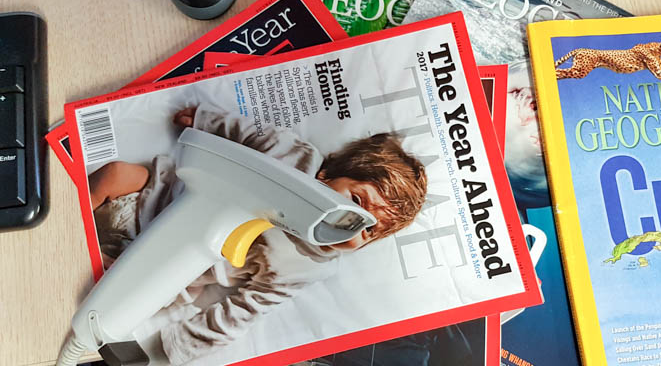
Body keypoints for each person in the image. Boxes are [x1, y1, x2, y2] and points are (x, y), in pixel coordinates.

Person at [87, 103, 428, 364]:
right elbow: (250, 134)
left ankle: (92, 260)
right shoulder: (296, 158)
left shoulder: (308, 265)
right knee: (116, 173)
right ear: (327, 175)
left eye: (368, 232)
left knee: (118, 284)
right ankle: (72, 214)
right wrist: (204, 119)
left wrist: (175, 346)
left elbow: (244, 309)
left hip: (174, 261)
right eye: (356, 202)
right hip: (158, 197)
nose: (352, 224)